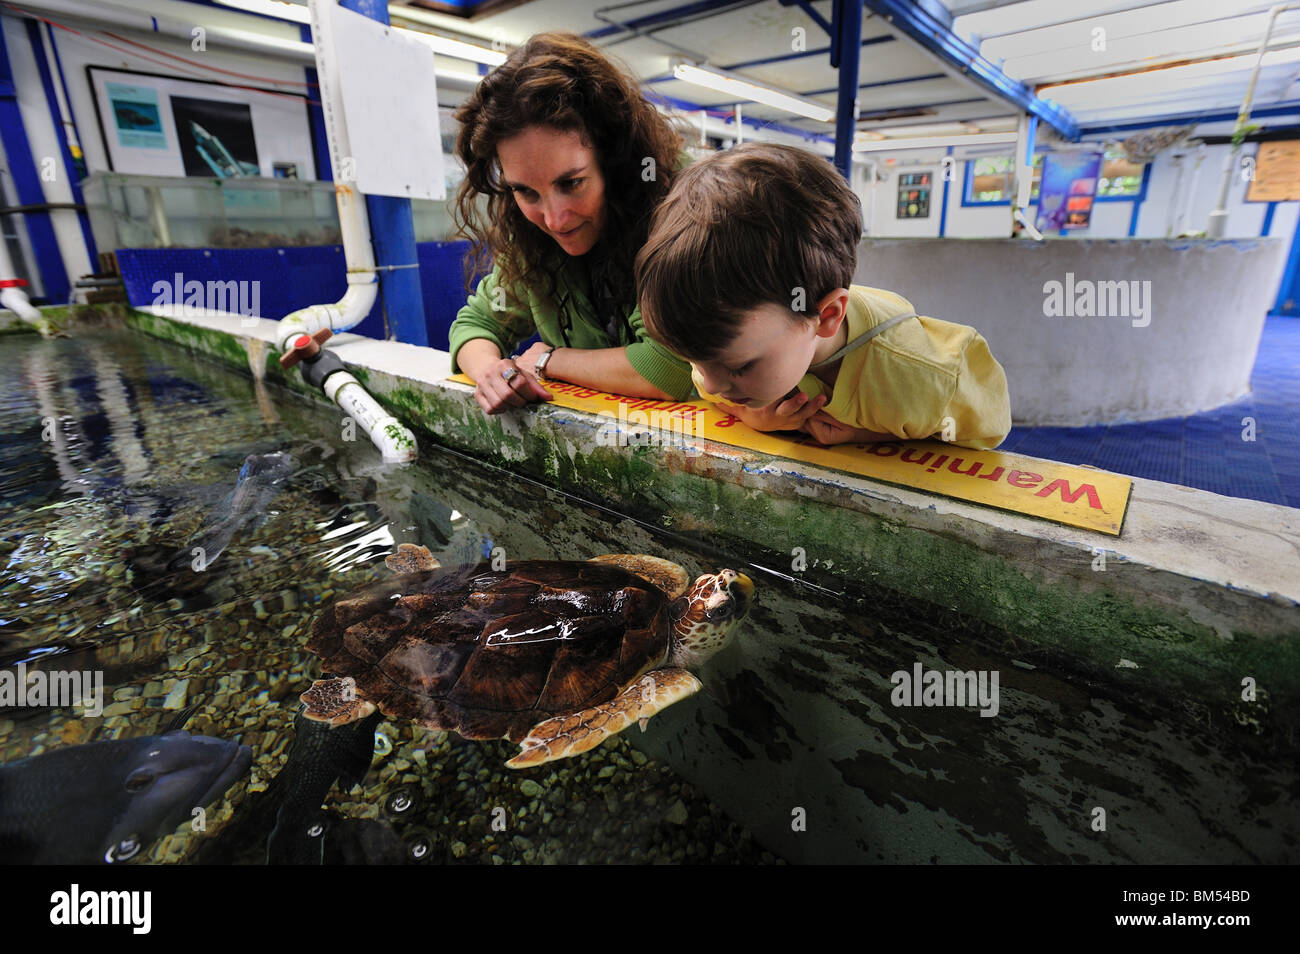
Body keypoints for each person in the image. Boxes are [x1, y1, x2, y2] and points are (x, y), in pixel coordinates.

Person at [635, 142, 1012, 450]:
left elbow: (987, 430)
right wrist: (752, 414)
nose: (711, 385)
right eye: (698, 363)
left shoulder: (927, 379)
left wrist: (871, 431)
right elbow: (713, 389)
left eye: (740, 368)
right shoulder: (726, 348)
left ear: (827, 316)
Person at [448, 32, 694, 416]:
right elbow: (477, 323)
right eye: (526, 191)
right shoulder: (530, 236)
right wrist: (491, 372)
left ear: (613, 158)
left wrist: (549, 359)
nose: (554, 219)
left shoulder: (685, 206)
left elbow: (672, 368)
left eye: (571, 183)